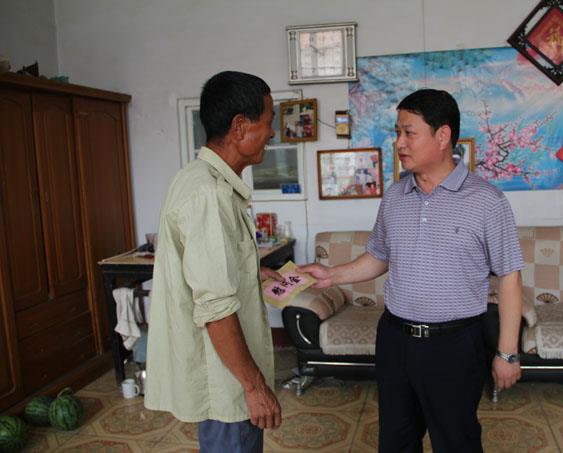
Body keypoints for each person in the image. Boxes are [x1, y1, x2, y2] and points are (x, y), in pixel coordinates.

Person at [298, 89, 524, 452]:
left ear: (442, 135)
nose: (399, 143)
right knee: (396, 441)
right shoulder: (395, 196)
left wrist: (507, 353)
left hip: (454, 345)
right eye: (397, 132)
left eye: (408, 133)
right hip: (396, 340)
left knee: (457, 442)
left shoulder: (486, 200)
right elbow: (379, 256)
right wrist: (331, 275)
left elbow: (510, 276)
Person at [145, 71, 283, 453]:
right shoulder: (208, 194)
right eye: (268, 121)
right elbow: (215, 307)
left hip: (226, 373)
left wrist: (251, 273)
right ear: (240, 127)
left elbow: (210, 272)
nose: (272, 132)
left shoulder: (198, 179)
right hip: (227, 384)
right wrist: (255, 387)